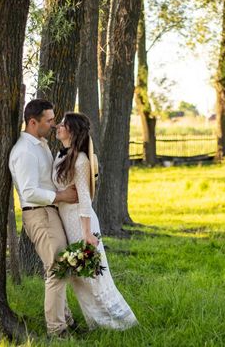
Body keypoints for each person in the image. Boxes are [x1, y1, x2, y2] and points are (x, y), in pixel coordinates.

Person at [53, 112, 138, 330]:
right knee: (79, 278)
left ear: (72, 131)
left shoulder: (81, 161)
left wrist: (87, 233)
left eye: (63, 124)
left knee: (93, 276)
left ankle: (121, 324)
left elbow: (84, 200)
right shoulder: (62, 156)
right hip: (66, 222)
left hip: (81, 224)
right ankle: (97, 323)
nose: (58, 126)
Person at [9, 99, 78, 336]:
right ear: (32, 122)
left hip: (49, 213)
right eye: (49, 120)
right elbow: (28, 192)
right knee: (57, 269)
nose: (53, 124)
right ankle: (57, 329)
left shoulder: (40, 144)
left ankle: (65, 319)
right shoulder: (25, 151)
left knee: (61, 267)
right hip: (39, 215)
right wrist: (61, 196)